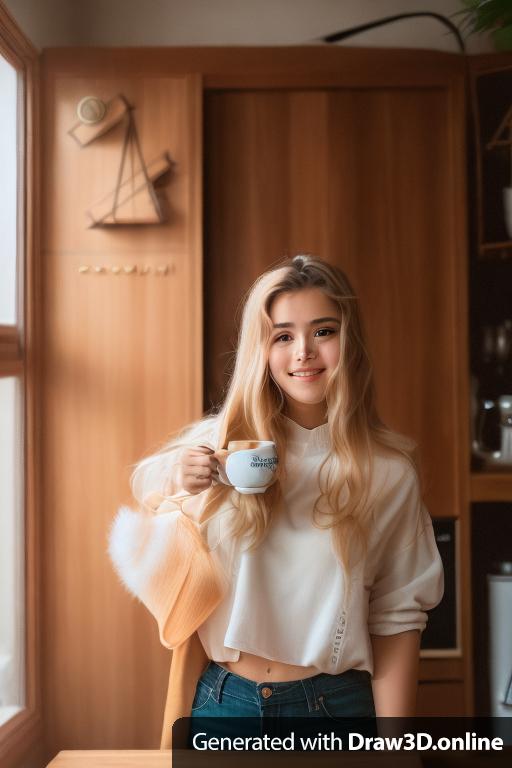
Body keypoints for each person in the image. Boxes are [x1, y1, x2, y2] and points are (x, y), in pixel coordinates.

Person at [108, 254, 444, 747]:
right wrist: (176, 477)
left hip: (335, 709)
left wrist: (396, 750)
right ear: (260, 350)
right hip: (222, 704)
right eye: (282, 335)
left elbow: (397, 619)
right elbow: (145, 510)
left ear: (349, 341)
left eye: (323, 331)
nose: (303, 351)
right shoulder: (217, 447)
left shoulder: (388, 472)